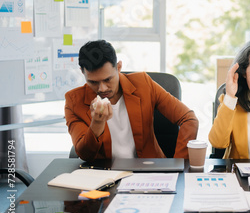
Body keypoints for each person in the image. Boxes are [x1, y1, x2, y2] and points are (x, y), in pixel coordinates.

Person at [65, 40, 198, 161]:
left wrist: (179, 164)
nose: (102, 88)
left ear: (118, 67)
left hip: (150, 171)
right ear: (83, 73)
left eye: (107, 79)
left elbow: (189, 119)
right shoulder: (74, 101)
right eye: (93, 82)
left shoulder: (143, 84)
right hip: (105, 175)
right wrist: (97, 124)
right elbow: (85, 154)